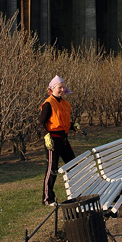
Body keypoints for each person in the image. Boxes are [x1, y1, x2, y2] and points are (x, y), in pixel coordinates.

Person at [38, 75, 79, 206]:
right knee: (52, 169)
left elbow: (63, 121)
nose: (62, 90)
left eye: (63, 87)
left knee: (73, 165)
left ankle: (76, 192)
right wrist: (46, 136)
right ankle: (47, 198)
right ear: (52, 88)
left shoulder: (65, 104)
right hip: (53, 140)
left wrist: (74, 126)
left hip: (64, 139)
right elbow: (41, 123)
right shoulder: (49, 104)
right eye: (59, 87)